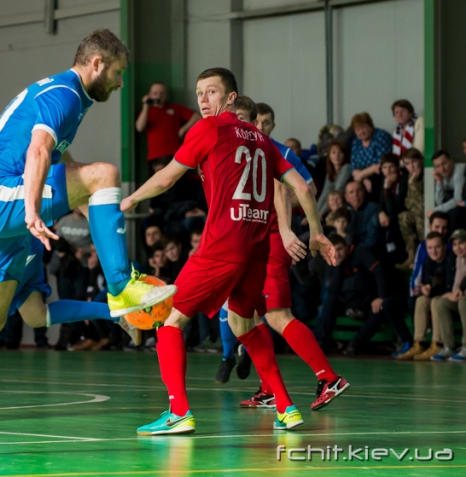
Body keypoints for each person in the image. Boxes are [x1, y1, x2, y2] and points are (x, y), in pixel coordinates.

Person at [0, 30, 175, 455]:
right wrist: (31, 211)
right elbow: (39, 153)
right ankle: (120, 288)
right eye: (118, 73)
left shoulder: (72, 98)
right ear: (97, 64)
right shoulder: (64, 93)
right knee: (106, 173)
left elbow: (63, 164)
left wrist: (89, 208)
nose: (121, 82)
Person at [121, 67, 335, 436]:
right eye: (199, 93)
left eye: (211, 92)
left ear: (231, 98)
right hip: (256, 249)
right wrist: (316, 232)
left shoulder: (209, 129)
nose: (203, 100)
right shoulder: (263, 139)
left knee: (169, 321)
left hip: (221, 246)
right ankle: (286, 407)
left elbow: (167, 177)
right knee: (243, 325)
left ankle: (178, 412)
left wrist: (130, 200)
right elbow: (302, 187)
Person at [0, 103, 139, 407]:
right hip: (4, 240)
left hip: (22, 242)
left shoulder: (5, 153)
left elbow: (52, 167)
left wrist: (85, 209)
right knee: (37, 315)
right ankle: (116, 312)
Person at [229, 97, 348, 411]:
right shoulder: (240, 149)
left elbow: (297, 190)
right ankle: (268, 389)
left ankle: (329, 377)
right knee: (250, 317)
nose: (259, 127)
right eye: (255, 121)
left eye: (264, 122)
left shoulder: (277, 152)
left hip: (272, 240)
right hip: (251, 242)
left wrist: (285, 229)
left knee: (277, 315)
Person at [313, 234, 387, 351]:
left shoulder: (359, 252)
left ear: (346, 247)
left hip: (367, 299)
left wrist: (380, 297)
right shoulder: (332, 261)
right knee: (330, 301)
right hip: (347, 301)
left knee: (380, 309)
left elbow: (379, 272)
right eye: (333, 251)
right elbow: (333, 291)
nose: (337, 254)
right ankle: (321, 344)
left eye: (340, 249)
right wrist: (337, 266)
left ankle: (354, 344)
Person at [397, 232, 451, 361]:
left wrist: (431, 290)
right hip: (437, 295)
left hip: (449, 297)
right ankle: (419, 343)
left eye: (437, 247)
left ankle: (437, 344)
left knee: (436, 301)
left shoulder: (450, 260)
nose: (433, 251)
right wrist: (426, 289)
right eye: (430, 248)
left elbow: (450, 285)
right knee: (421, 300)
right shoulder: (428, 261)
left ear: (444, 246)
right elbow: (428, 284)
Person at [135, 81, 200, 172]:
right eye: (155, 93)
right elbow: (139, 127)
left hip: (176, 155)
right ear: (150, 95)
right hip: (157, 157)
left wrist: (183, 129)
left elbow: (197, 117)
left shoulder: (175, 108)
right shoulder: (147, 112)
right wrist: (145, 107)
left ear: (166, 94)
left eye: (162, 93)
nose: (159, 96)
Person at [431, 229, 466, 361]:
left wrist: (459, 292)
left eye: (461, 243)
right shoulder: (459, 259)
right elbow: (457, 283)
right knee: (442, 303)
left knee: (463, 302)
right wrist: (453, 294)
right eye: (455, 244)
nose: (458, 247)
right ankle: (449, 347)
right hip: (463, 298)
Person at [349, 112, 392, 197]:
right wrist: (364, 178)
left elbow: (381, 164)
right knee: (350, 186)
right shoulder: (356, 141)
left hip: (378, 174)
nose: (361, 131)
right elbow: (353, 167)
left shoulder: (381, 136)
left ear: (371, 126)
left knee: (373, 184)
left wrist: (361, 175)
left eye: (363, 127)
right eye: (358, 129)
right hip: (361, 176)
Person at [397, 148, 425, 269]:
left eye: (414, 161)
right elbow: (407, 202)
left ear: (421, 160)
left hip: (427, 212)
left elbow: (422, 204)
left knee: (419, 214)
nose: (411, 166)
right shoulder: (408, 177)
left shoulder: (426, 175)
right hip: (414, 212)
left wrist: (413, 183)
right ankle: (411, 256)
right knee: (403, 216)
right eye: (407, 163)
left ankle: (425, 254)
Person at [427, 150, 466, 224]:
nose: (442, 169)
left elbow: (458, 199)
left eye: (444, 163)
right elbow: (439, 202)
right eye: (437, 166)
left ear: (451, 161)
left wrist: (435, 210)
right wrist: (439, 181)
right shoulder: (442, 175)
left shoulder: (459, 170)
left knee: (454, 213)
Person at [344, 181, 381, 252]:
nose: (356, 194)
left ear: (364, 193)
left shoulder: (373, 209)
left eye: (359, 190)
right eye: (351, 192)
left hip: (367, 251)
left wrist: (351, 250)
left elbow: (372, 241)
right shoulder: (346, 212)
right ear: (346, 197)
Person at [317, 142, 351, 216]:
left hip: (342, 204)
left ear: (345, 155)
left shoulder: (347, 168)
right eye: (333, 153)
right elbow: (325, 193)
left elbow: (337, 192)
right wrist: (315, 213)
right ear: (329, 156)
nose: (337, 156)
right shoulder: (330, 173)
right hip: (332, 204)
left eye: (340, 152)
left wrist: (321, 213)